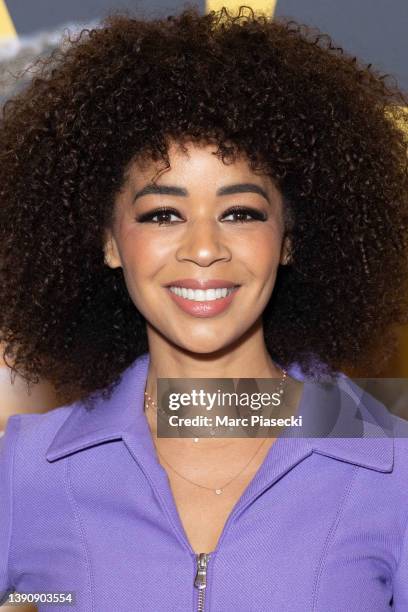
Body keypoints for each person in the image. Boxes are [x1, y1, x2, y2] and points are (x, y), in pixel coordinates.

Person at [1, 5, 408, 611]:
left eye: (240, 212)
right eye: (162, 214)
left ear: (290, 238)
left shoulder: (391, 469)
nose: (203, 249)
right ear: (109, 241)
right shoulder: (25, 470)